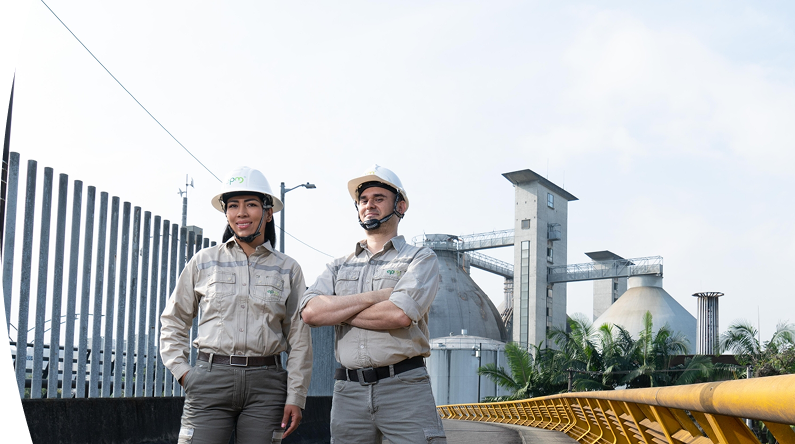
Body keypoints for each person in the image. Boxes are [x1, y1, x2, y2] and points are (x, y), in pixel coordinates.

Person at [160, 166, 312, 444]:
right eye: (233, 205)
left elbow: (299, 338)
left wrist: (295, 395)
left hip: (266, 388)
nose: (241, 213)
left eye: (251, 204)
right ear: (226, 213)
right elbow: (174, 320)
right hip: (209, 381)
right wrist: (184, 374)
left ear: (268, 212)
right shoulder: (203, 261)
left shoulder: (288, 269)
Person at [300, 165, 446, 443]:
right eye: (363, 200)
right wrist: (375, 297)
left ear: (400, 206)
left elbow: (399, 315)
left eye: (379, 198)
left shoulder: (420, 259)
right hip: (348, 392)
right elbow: (310, 312)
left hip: (404, 387)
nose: (369, 205)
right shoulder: (338, 266)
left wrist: (337, 311)